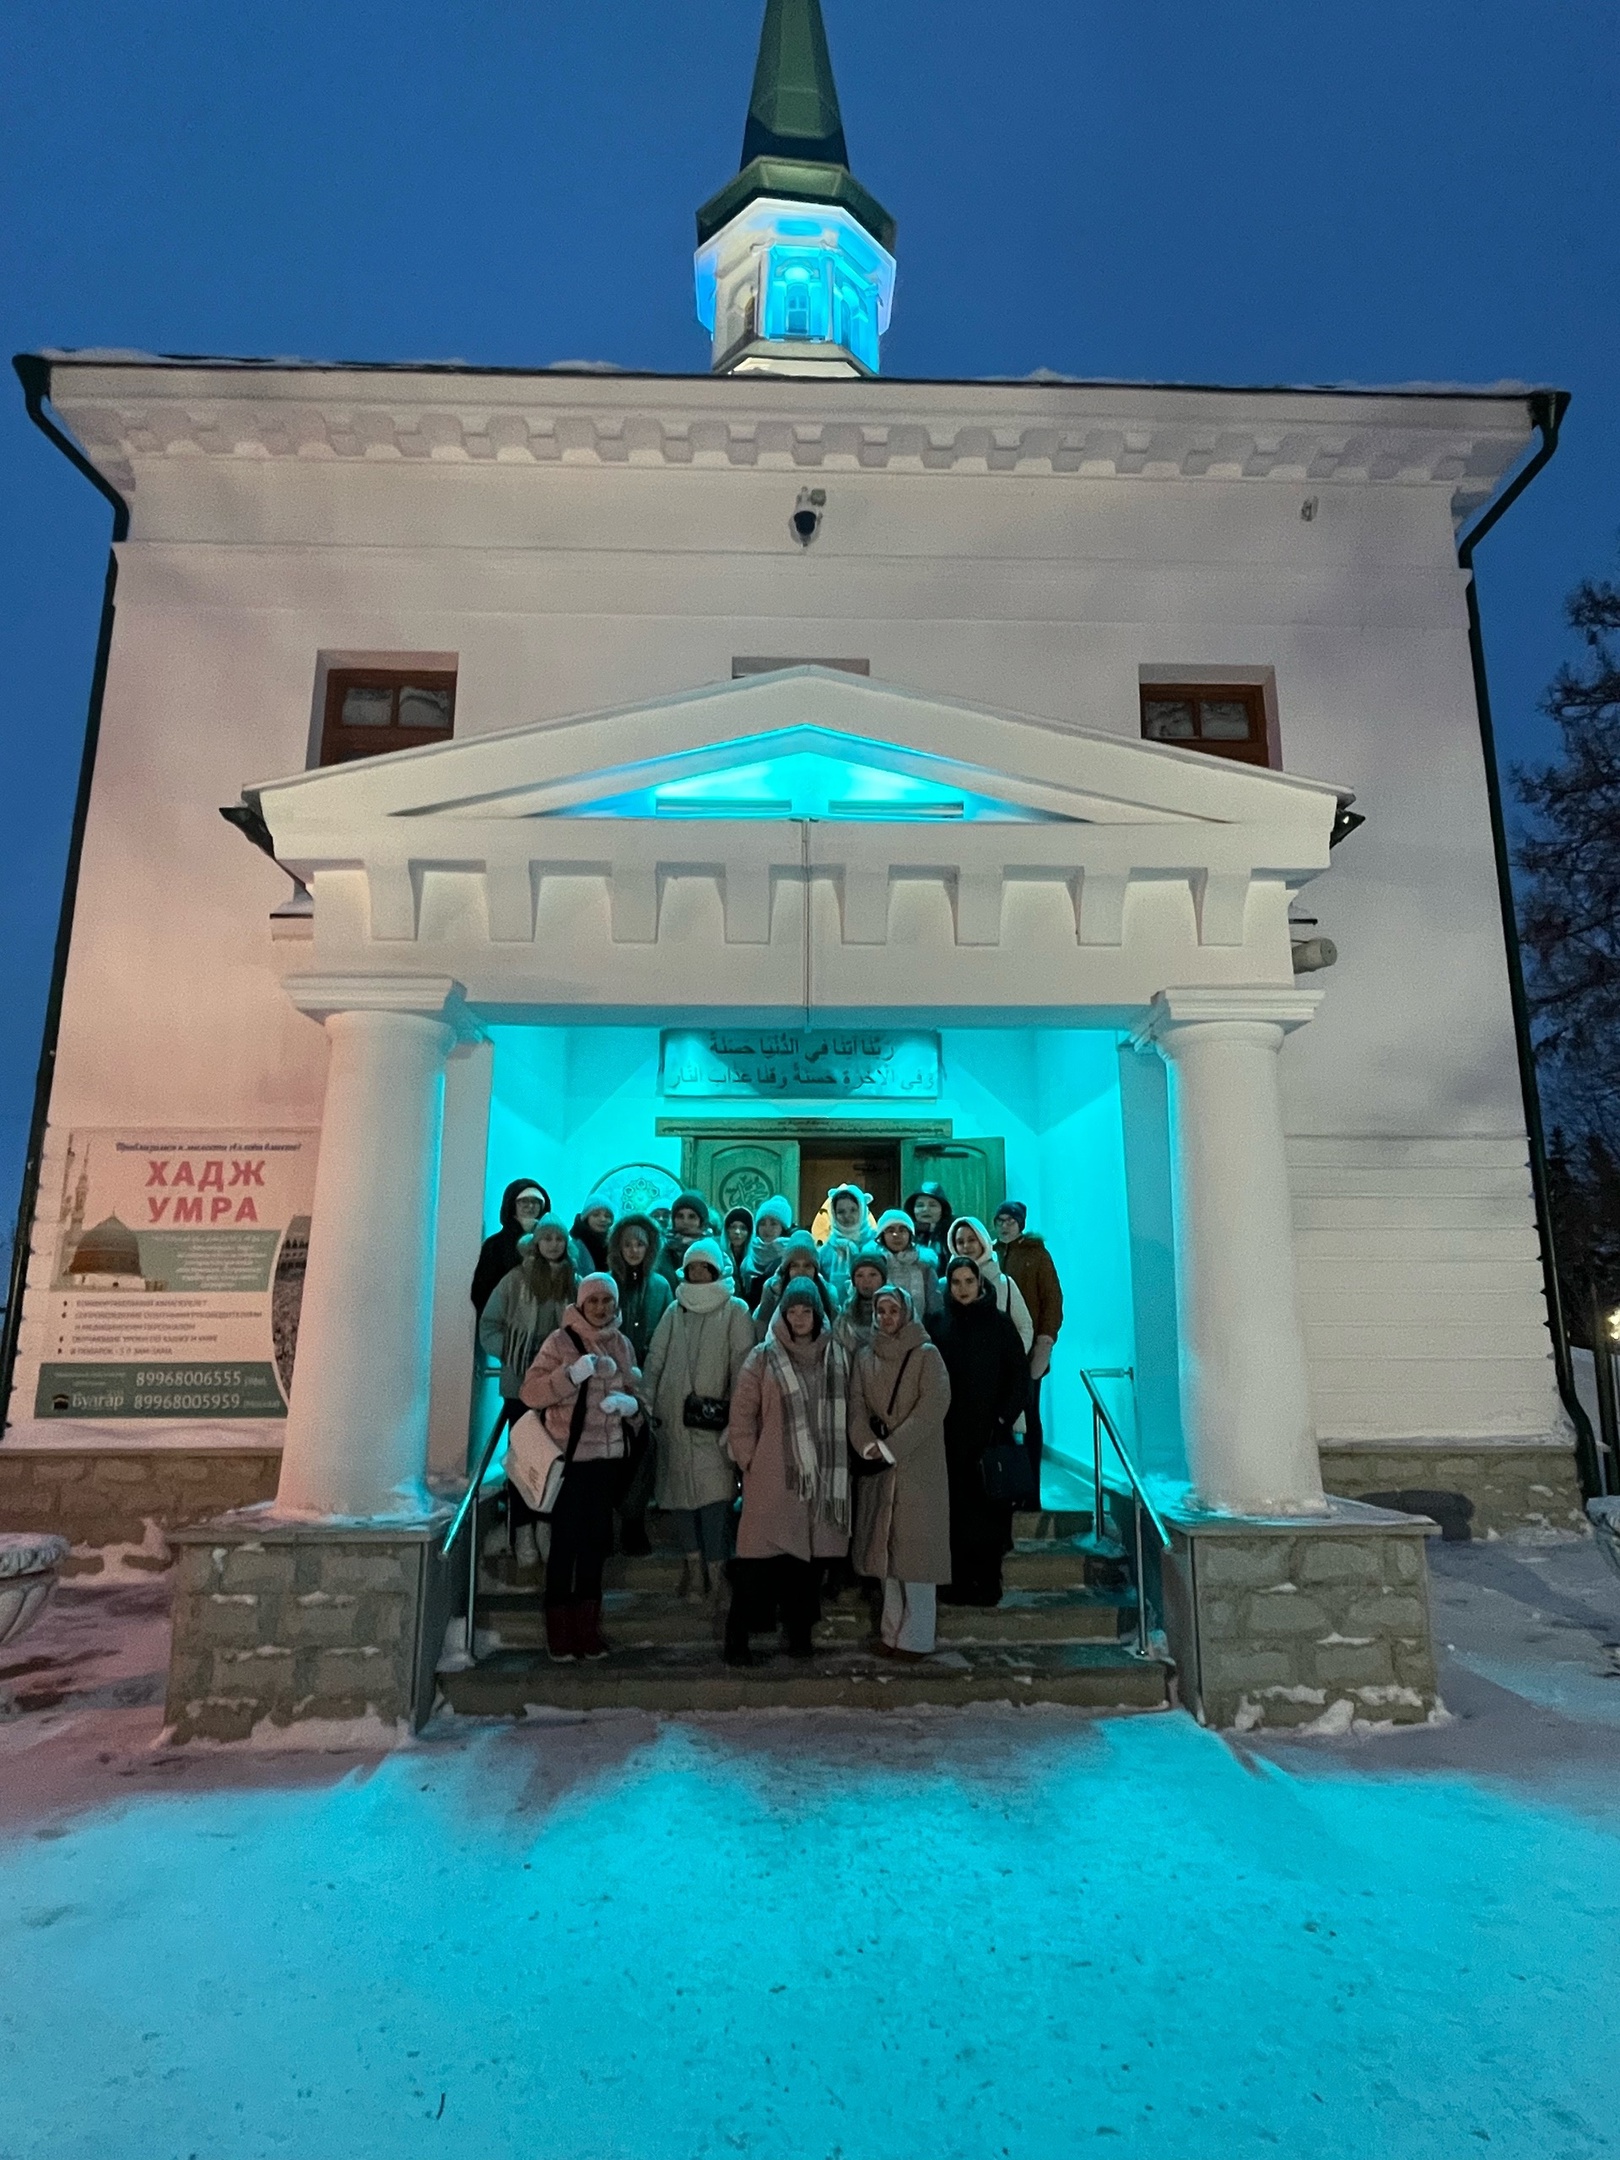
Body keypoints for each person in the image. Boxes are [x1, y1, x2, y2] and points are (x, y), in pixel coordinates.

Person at [724, 1278, 851, 1666]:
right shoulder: (763, 1357)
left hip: (819, 1479)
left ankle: (800, 1636)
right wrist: (749, 1459)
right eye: (792, 1311)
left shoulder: (836, 1355)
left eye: (806, 1311)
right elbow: (742, 1413)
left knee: (805, 1566)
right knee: (757, 1562)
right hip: (772, 1476)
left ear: (817, 1314)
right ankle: (738, 1639)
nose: (799, 1318)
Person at [520, 1273, 644, 1662]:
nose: (601, 1308)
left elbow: (638, 1395)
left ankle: (587, 1631)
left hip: (607, 1464)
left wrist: (631, 1407)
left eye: (608, 1301)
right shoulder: (560, 1342)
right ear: (581, 1303)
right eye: (594, 1301)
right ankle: (560, 1633)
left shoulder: (622, 1344)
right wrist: (569, 1376)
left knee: (595, 1547)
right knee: (565, 1547)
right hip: (570, 1462)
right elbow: (531, 1393)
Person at [642, 1238, 755, 1599]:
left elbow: (743, 1365)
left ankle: (716, 1572)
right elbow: (656, 1359)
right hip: (673, 1419)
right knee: (679, 1498)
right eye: (693, 1268)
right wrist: (646, 1402)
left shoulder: (735, 1309)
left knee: (715, 1500)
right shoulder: (675, 1310)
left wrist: (737, 1417)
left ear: (716, 1269)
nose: (699, 1273)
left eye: (705, 1267)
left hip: (715, 1421)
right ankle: (693, 1568)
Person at [848, 1284, 952, 1659]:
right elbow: (857, 1404)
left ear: (906, 1313)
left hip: (918, 1464)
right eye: (881, 1311)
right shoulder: (865, 1356)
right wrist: (867, 1444)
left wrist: (894, 1446)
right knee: (886, 1555)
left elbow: (934, 1404)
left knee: (917, 1557)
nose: (887, 1318)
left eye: (893, 1310)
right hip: (880, 1466)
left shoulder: (926, 1354)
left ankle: (918, 1637)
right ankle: (891, 1631)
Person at [928, 1256, 1029, 1607]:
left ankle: (987, 1583)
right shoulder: (938, 1323)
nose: (963, 1289)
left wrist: (1002, 1419)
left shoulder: (1000, 1324)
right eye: (956, 1282)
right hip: (948, 1436)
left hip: (990, 1437)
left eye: (969, 1281)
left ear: (980, 1283)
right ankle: (957, 1582)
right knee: (954, 1513)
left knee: (989, 1514)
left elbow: (1018, 1377)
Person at [607, 1213, 674, 1557]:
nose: (634, 1250)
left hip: (647, 1381)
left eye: (640, 1244)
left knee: (642, 1453)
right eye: (628, 1244)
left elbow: (667, 1333)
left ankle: (633, 1522)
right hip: (609, 1382)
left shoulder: (661, 1286)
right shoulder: (607, 1283)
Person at [992, 1202, 1064, 1494]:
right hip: (996, 1351)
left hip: (1029, 1350)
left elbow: (1052, 1300)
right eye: (1000, 1220)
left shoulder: (1037, 1255)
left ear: (1020, 1223)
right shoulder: (992, 1253)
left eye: (1010, 1220)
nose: (1004, 1226)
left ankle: (1032, 1488)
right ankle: (1005, 1485)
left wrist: (1045, 1341)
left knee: (1030, 1415)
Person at [948, 1216, 1034, 1355]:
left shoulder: (1004, 1283)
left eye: (972, 1240)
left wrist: (1013, 1358)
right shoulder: (944, 1284)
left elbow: (1024, 1326)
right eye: (960, 1242)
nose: (966, 1246)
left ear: (982, 1241)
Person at [470, 1179, 550, 1316]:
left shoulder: (552, 1242)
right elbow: (481, 1291)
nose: (530, 1206)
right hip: (503, 1320)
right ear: (512, 1204)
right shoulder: (495, 1245)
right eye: (524, 1201)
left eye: (535, 1202)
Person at [753, 1229, 841, 1337]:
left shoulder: (828, 1292)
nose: (801, 1271)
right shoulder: (772, 1289)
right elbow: (761, 1324)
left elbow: (837, 1330)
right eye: (795, 1266)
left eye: (807, 1266)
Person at [875, 1209, 943, 1317]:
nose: (896, 1235)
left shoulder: (924, 1264)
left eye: (902, 1230)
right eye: (890, 1230)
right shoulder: (875, 1264)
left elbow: (934, 1304)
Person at [740, 1195, 794, 1311]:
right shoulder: (749, 1259)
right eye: (762, 1223)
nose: (767, 1228)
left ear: (783, 1227)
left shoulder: (792, 1255)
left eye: (773, 1223)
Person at [817, 1183, 872, 1299]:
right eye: (841, 1212)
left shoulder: (875, 1244)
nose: (847, 1216)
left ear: (862, 1210)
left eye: (853, 1210)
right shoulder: (825, 1251)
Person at [833, 1245, 889, 1356]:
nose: (866, 1281)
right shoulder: (846, 1314)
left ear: (883, 1279)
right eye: (859, 1275)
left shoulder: (898, 1308)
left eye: (873, 1275)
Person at [656, 1190, 715, 1288]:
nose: (685, 1221)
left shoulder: (712, 1249)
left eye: (692, 1217)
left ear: (701, 1221)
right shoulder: (662, 1248)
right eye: (680, 1216)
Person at [903, 1181, 955, 1273]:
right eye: (920, 1205)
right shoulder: (905, 1234)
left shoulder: (953, 1233)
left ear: (942, 1209)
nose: (925, 1209)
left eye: (932, 1205)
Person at [568, 1193, 614, 1278]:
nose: (602, 1219)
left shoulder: (616, 1244)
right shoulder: (574, 1247)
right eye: (596, 1215)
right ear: (586, 1218)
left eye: (607, 1216)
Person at [721, 1206, 755, 1284]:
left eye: (743, 1228)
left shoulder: (756, 1258)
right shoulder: (719, 1256)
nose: (737, 1232)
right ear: (726, 1230)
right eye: (733, 1227)